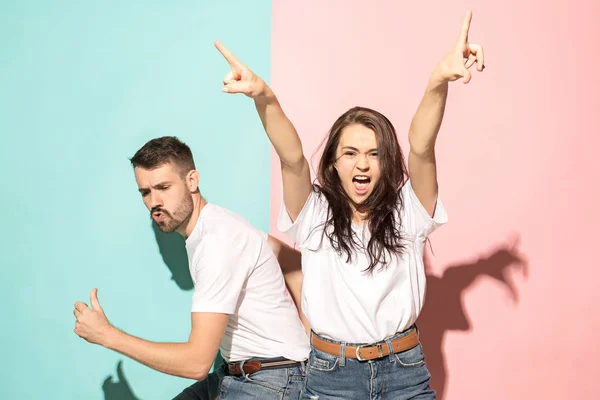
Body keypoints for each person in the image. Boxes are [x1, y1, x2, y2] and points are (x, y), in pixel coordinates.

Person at [215, 10, 484, 399]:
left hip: (403, 369)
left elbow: (422, 146)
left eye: (374, 154)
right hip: (331, 375)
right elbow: (291, 158)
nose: (362, 164)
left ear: (387, 161)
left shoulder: (408, 211)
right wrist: (264, 97)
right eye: (351, 153)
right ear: (334, 162)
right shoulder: (315, 214)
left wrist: (438, 80)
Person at [73, 136, 310, 399]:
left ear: (192, 181)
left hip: (271, 380)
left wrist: (108, 335)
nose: (154, 202)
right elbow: (294, 264)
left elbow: (196, 363)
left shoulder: (216, 243)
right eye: (145, 192)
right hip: (237, 374)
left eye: (163, 187)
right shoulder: (219, 224)